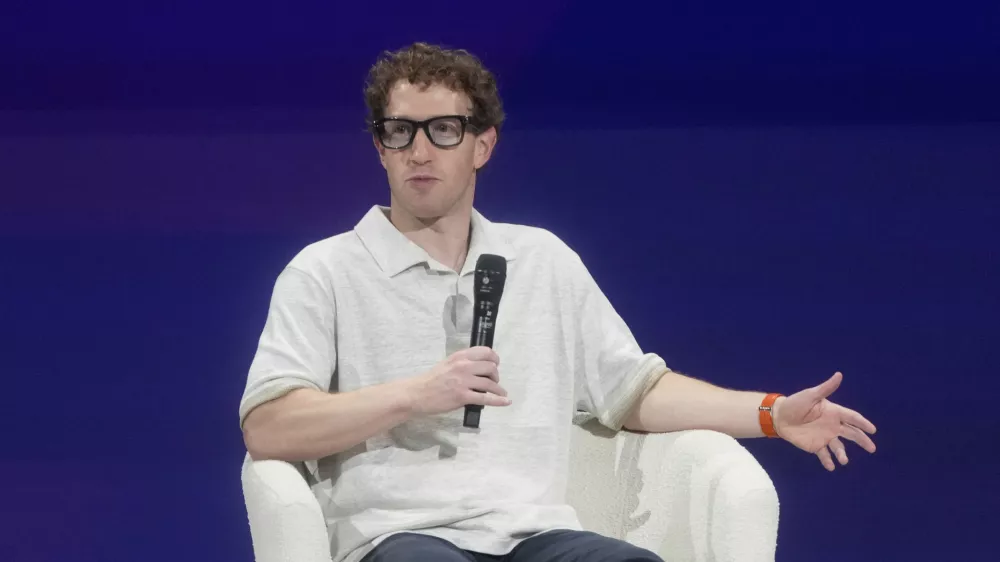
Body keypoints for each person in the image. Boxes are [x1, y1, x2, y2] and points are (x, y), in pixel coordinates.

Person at [239, 42, 878, 562]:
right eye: (400, 133)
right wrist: (412, 395)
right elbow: (267, 428)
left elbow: (635, 392)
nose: (420, 151)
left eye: (443, 129)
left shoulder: (541, 259)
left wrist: (771, 413)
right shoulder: (324, 271)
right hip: (398, 540)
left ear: (482, 145)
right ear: (380, 147)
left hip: (533, 537)